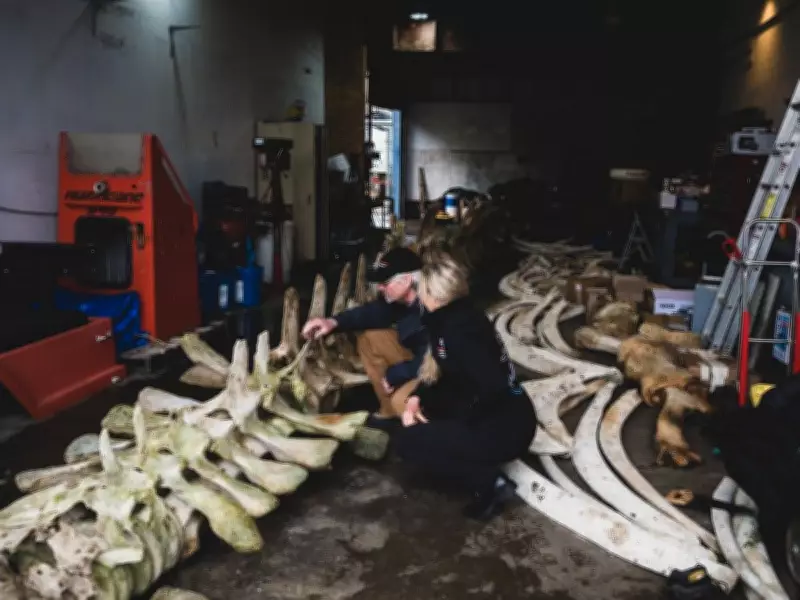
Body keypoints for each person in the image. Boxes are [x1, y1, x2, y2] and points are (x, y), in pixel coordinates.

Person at [394, 249, 537, 521]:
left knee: (407, 443)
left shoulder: (458, 331)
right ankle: (472, 451)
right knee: (428, 423)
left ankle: (491, 484)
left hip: (507, 427)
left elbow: (492, 387)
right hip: (506, 415)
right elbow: (442, 373)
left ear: (433, 294)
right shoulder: (453, 318)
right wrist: (417, 398)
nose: (418, 292)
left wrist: (458, 423)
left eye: (421, 287)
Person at [301, 247, 428, 422]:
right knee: (370, 339)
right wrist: (332, 322)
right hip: (418, 359)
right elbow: (373, 312)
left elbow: (438, 358)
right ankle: (389, 411)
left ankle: (424, 432)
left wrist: (398, 374)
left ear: (406, 280)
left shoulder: (433, 305)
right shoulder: (401, 302)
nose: (381, 288)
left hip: (437, 372)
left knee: (404, 403)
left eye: (385, 282)